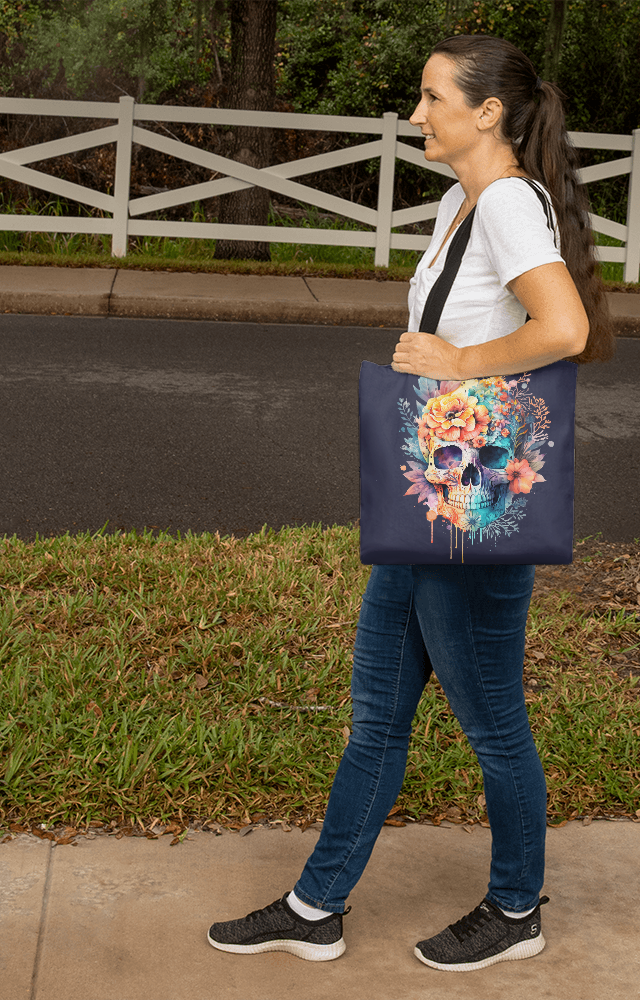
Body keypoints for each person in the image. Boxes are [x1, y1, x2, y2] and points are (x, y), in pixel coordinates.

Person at [207, 33, 613, 974]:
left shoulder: (509, 202)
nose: (417, 114)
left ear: (488, 114)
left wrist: (463, 363)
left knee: (494, 724)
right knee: (379, 716)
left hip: (472, 504)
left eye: (432, 98)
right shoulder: (458, 202)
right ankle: (316, 906)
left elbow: (565, 327)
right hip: (432, 495)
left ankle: (516, 910)